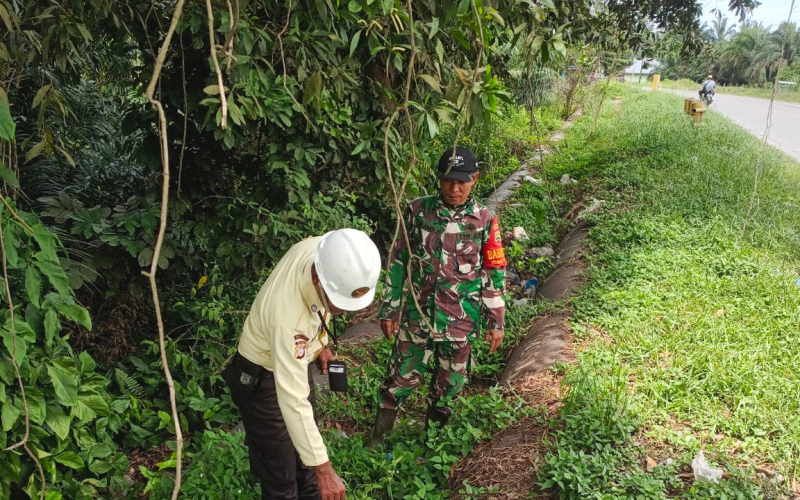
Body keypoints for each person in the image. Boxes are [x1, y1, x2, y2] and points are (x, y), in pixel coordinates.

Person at [223, 228, 381, 500]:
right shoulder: (288, 321)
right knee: (281, 480)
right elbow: (293, 400)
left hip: (295, 361)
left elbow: (319, 307)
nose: (342, 311)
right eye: (339, 304)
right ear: (319, 277)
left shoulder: (327, 251)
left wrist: (322, 344)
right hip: (262, 375)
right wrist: (326, 470)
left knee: (306, 466)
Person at [369, 146, 507, 447]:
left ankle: (432, 447)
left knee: (448, 389)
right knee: (397, 380)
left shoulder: (484, 219)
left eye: (461, 181)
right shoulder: (418, 211)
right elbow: (398, 260)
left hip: (461, 322)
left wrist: (496, 320)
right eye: (447, 180)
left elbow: (493, 271)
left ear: (475, 179)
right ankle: (378, 441)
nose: (454, 188)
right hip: (419, 316)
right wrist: (390, 308)